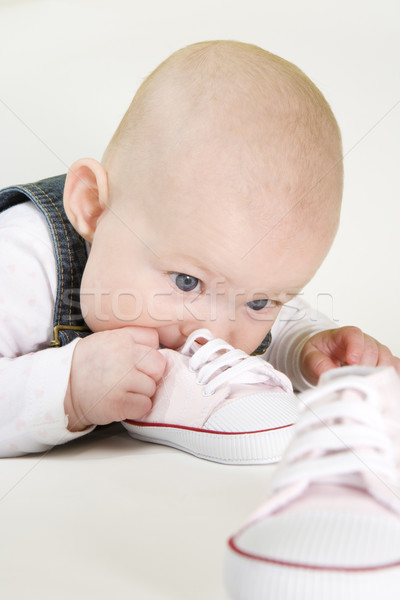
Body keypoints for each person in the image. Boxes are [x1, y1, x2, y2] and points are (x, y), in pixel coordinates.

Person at [0, 40, 398, 457]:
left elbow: (277, 323)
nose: (212, 334)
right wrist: (70, 389)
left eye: (260, 302)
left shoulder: (213, 267)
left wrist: (304, 349)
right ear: (94, 207)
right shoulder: (22, 259)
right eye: (187, 282)